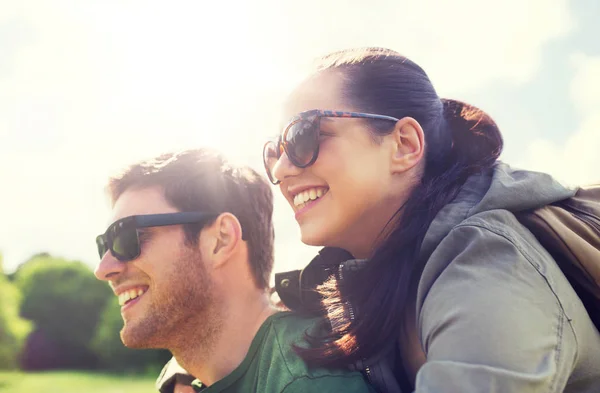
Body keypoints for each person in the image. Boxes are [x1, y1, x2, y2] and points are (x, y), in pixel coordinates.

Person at [263, 47, 600, 392]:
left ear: (405, 145)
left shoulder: (488, 267)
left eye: (301, 136)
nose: (280, 169)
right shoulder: (369, 281)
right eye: (274, 151)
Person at [94, 148, 374, 393]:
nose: (103, 268)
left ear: (221, 240)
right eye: (103, 245)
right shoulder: (209, 376)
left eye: (128, 238)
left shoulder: (305, 384)